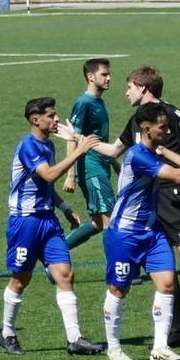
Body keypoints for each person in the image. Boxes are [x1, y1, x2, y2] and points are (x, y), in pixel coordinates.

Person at [89, 104, 180, 360]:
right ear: (146, 129)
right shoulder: (138, 155)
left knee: (167, 283)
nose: (168, 131)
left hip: (152, 232)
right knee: (119, 288)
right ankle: (113, 347)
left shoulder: (152, 152)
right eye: (163, 127)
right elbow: (178, 177)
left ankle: (160, 347)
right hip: (125, 233)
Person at [3, 96, 105, 357]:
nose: (56, 119)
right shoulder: (28, 146)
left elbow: (45, 184)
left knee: (64, 273)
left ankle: (75, 339)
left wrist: (65, 208)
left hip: (47, 221)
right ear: (35, 120)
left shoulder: (47, 146)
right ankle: (7, 333)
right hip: (25, 222)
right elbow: (49, 175)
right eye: (51, 115)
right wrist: (79, 151)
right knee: (21, 278)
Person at [118, 66, 180, 346]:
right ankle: (176, 330)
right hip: (147, 199)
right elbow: (115, 149)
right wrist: (81, 142)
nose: (126, 92)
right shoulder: (137, 120)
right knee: (164, 265)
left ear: (142, 87)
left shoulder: (171, 113)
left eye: (130, 87)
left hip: (172, 191)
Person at [62, 58, 115, 250]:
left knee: (98, 223)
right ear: (91, 77)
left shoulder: (98, 101)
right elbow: (71, 137)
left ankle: (55, 256)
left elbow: (99, 139)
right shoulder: (83, 103)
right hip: (91, 168)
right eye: (104, 74)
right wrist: (70, 175)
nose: (109, 78)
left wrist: (116, 164)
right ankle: (118, 272)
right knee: (110, 219)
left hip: (102, 166)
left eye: (109, 74)